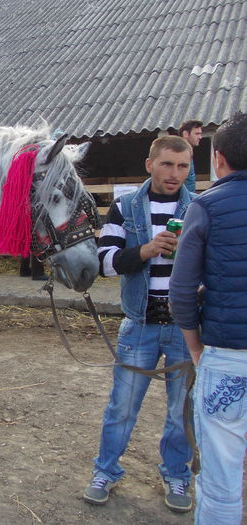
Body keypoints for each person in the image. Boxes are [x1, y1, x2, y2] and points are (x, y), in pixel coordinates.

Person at [84, 135, 196, 512]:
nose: (174, 173)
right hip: (140, 323)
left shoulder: (198, 208)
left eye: (182, 166)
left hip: (186, 328)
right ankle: (105, 471)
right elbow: (105, 263)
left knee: (182, 411)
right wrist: (147, 250)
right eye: (167, 164)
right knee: (122, 407)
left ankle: (178, 476)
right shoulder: (125, 206)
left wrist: (190, 260)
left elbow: (213, 272)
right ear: (149, 165)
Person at [169, 111, 247, 525]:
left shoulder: (208, 205)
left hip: (227, 356)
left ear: (218, 160)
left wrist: (195, 346)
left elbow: (182, 292)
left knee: (221, 475)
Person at [178, 119, 203, 192]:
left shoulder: (188, 153)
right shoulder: (177, 154)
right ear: (185, 134)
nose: (200, 137)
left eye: (200, 134)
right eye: (197, 134)